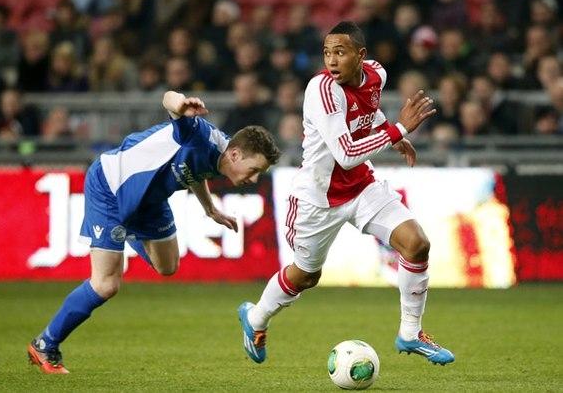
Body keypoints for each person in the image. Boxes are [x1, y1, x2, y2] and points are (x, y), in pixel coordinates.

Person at [238, 21, 455, 366]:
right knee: (306, 275)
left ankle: (411, 333)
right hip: (317, 199)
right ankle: (255, 318)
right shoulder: (322, 90)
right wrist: (399, 129)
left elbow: (368, 111)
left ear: (360, 55)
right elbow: (346, 153)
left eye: (340, 52)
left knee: (416, 243)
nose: (331, 60)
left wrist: (390, 133)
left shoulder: (376, 74)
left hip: (361, 186)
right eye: (327, 52)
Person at [28, 90, 281, 374]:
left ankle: (128, 230)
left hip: (150, 199)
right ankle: (45, 344)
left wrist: (210, 208)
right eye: (254, 169)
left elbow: (197, 172)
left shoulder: (221, 156)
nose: (254, 178)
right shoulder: (196, 132)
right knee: (106, 284)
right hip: (111, 187)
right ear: (235, 154)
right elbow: (168, 99)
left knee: (167, 265)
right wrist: (180, 103)